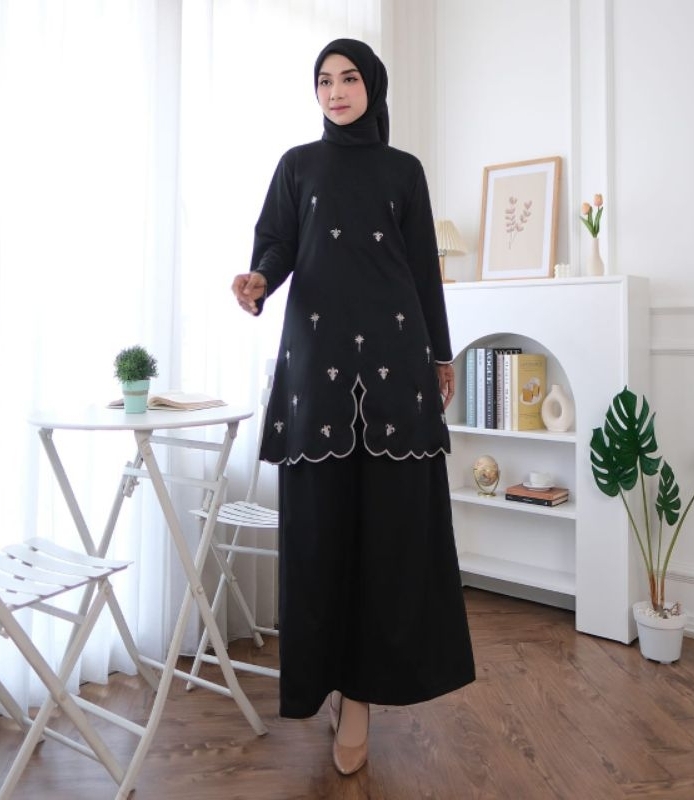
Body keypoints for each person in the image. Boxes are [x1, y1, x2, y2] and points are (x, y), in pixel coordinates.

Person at [231, 37, 475, 776]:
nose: (335, 91)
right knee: (320, 535)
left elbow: (423, 270)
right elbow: (277, 244)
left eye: (348, 78)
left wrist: (441, 354)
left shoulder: (404, 171)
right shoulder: (297, 165)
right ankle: (327, 681)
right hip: (317, 368)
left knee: (389, 539)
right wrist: (258, 281)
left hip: (397, 368)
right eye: (324, 80)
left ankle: (361, 698)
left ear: (373, 85)